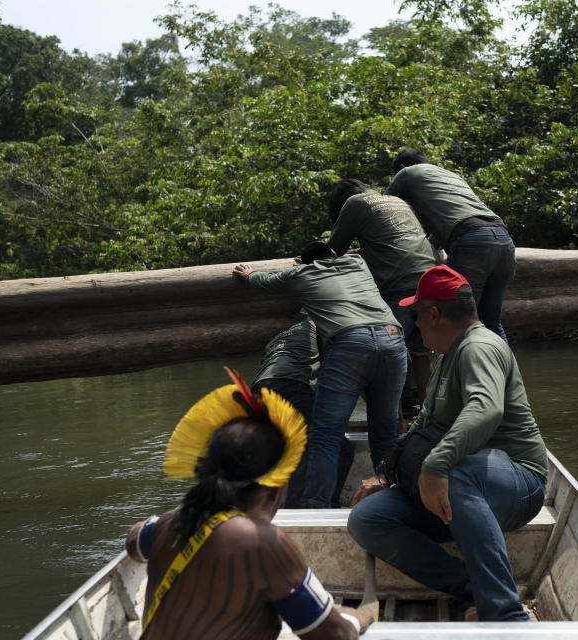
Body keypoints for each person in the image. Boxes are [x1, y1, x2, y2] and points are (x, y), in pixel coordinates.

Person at [347, 265, 548, 622]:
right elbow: (424, 423)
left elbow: (485, 408)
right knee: (367, 519)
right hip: (463, 489)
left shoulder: (480, 347)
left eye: (416, 315)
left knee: (456, 473)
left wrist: (435, 464)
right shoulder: (446, 357)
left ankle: (505, 615)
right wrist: (385, 474)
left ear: (434, 314)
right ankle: (472, 586)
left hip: (518, 484)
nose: (416, 325)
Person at [125, 371, 375, 639]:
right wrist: (361, 616)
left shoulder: (167, 524)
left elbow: (134, 542)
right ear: (274, 490)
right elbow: (336, 636)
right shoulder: (265, 543)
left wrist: (163, 523)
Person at [233, 242, 408, 508]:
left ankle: (315, 507)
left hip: (350, 342)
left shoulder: (302, 274)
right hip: (394, 339)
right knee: (384, 433)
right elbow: (353, 254)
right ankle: (395, 500)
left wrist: (249, 274)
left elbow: (262, 280)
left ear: (304, 262)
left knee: (325, 435)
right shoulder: (358, 264)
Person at [327, 178, 440, 407]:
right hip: (430, 280)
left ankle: (394, 429)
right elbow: (394, 241)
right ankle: (429, 416)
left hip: (399, 286)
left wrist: (311, 258)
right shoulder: (396, 201)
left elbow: (331, 252)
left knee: (384, 358)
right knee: (420, 352)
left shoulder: (354, 203)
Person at [386, 148, 517, 343]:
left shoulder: (407, 173)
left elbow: (384, 207)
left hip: (471, 241)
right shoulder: (449, 176)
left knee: (459, 321)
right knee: (491, 322)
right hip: (503, 238)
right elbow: (444, 224)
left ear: (403, 167)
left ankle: (464, 372)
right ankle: (508, 373)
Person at [250, 317, 355, 507]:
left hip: (259, 390)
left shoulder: (280, 337)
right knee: (338, 447)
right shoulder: (323, 326)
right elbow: (334, 372)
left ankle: (272, 505)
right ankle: (307, 507)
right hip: (292, 386)